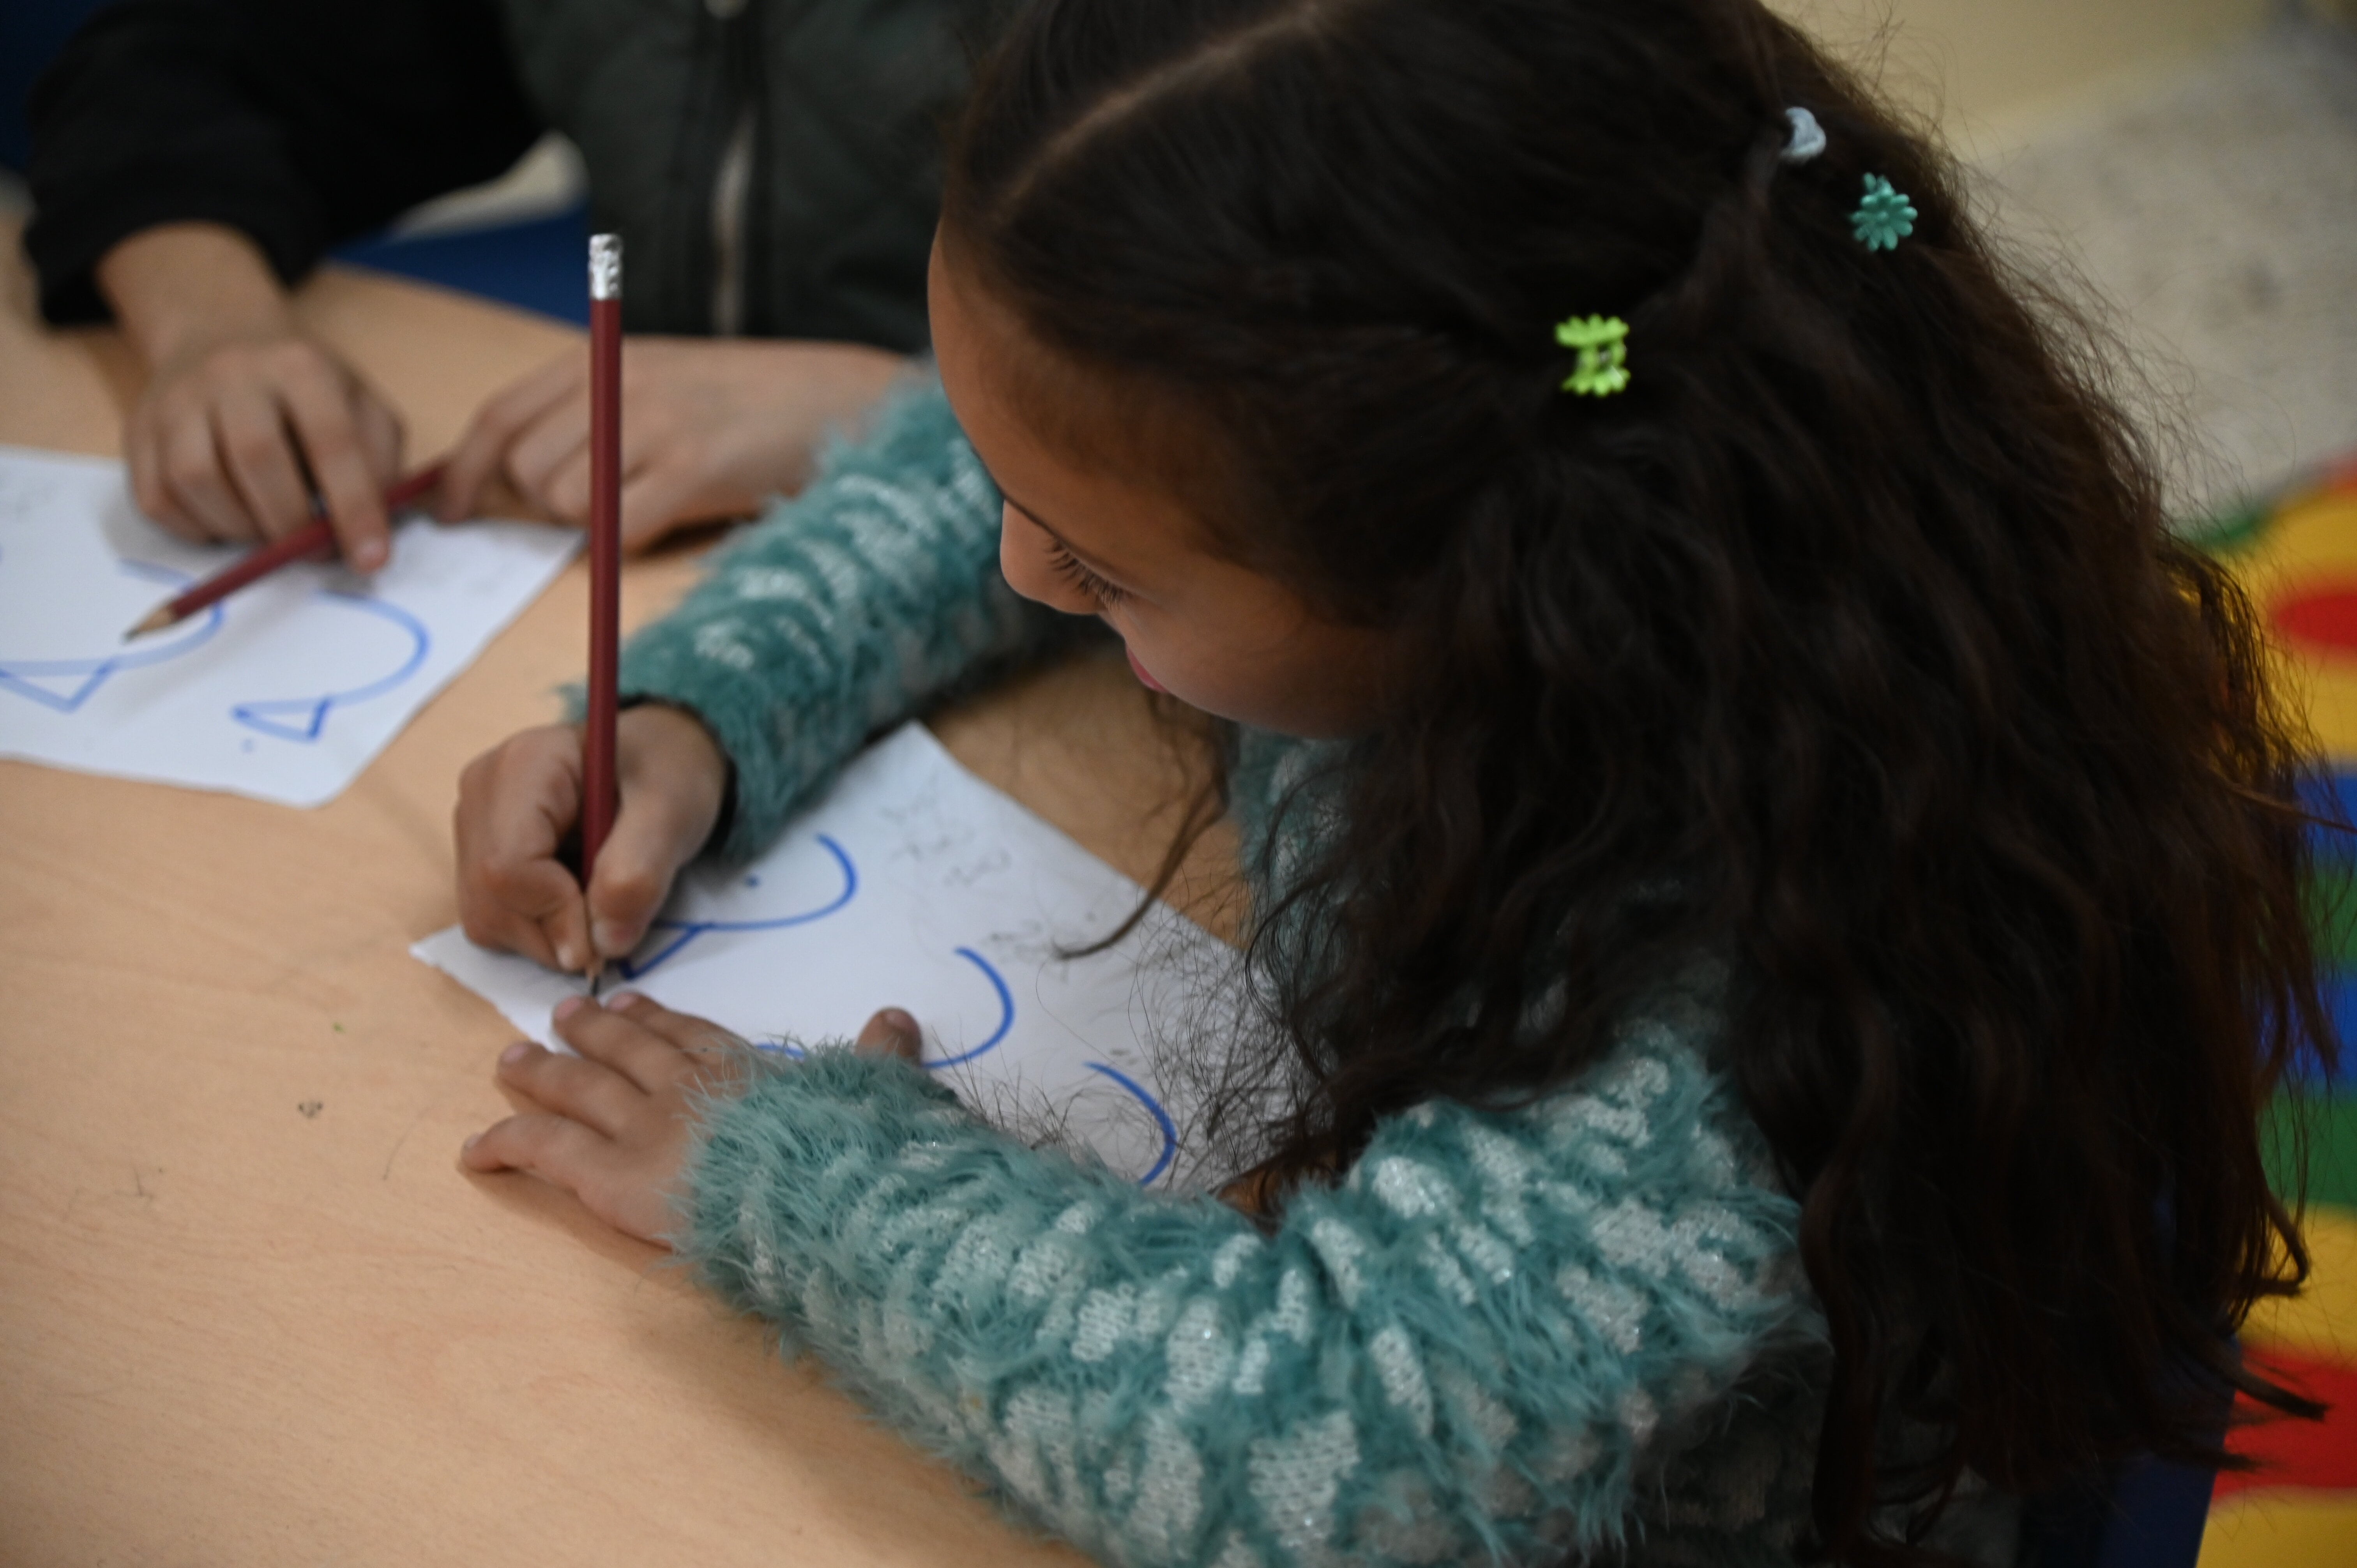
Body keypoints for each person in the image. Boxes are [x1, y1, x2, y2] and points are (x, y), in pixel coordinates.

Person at [446, 0, 2330, 1562]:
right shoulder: (1499, 436)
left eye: (1100, 575)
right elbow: (1032, 442)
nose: (1024, 567)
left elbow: (1323, 1455)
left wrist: (789, 1177)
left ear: (1470, 566)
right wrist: (705, 704)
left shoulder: (1731, 948)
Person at [23, 0, 1000, 569]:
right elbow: (151, 74)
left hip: (1070, 582)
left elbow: (1160, 397)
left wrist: (895, 407)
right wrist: (215, 332)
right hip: (676, 557)